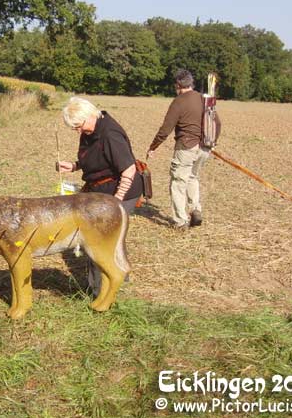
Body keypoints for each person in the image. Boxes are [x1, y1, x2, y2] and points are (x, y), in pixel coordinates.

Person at [56, 96, 143, 294]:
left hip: (121, 191)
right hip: (100, 191)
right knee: (112, 237)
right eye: (74, 128)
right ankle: (121, 275)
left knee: (97, 240)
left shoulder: (110, 134)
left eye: (78, 126)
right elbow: (98, 159)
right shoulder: (90, 130)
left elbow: (128, 169)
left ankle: (97, 291)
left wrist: (116, 202)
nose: (77, 131)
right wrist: (74, 166)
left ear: (89, 115)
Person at [146, 68, 221, 229]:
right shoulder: (204, 99)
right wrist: (212, 143)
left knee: (178, 182)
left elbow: (165, 129)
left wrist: (153, 147)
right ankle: (195, 209)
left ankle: (180, 221)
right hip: (205, 148)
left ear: (178, 84)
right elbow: (217, 123)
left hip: (186, 147)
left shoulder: (178, 102)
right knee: (193, 177)